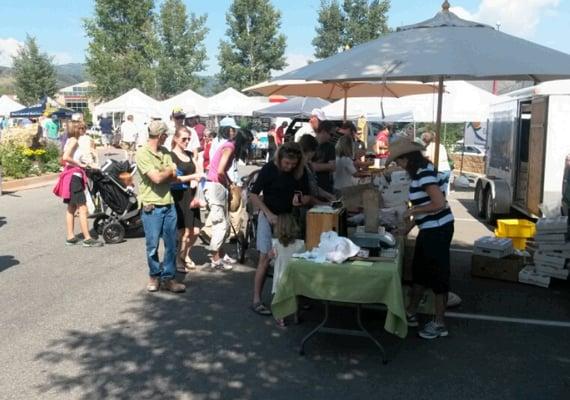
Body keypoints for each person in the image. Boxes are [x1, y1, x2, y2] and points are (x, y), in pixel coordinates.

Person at [387, 139, 454, 340]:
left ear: (406, 159)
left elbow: (439, 203)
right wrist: (407, 228)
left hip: (438, 229)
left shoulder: (424, 172)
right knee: (420, 271)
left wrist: (413, 209)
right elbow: (426, 207)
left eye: (398, 161)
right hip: (431, 228)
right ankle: (411, 311)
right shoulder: (421, 171)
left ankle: (440, 323)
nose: (398, 165)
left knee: (437, 274)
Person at [249, 142, 310, 315]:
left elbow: (307, 195)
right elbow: (253, 195)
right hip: (268, 215)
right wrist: (267, 214)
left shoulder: (300, 171)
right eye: (286, 163)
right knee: (265, 257)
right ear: (280, 158)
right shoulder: (269, 169)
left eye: (293, 164)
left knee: (292, 257)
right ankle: (256, 299)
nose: (290, 167)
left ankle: (294, 296)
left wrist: (300, 200)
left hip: (288, 218)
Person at [135, 121, 186, 293]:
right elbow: (157, 178)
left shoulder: (165, 152)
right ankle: (154, 276)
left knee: (172, 244)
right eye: (166, 135)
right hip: (151, 206)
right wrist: (169, 171)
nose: (167, 138)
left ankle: (168, 278)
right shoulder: (142, 154)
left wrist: (168, 172)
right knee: (152, 245)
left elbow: (172, 175)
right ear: (160, 135)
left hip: (168, 203)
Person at [204, 127, 251, 271]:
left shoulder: (228, 146)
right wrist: (228, 183)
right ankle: (215, 259)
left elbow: (222, 170)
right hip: (215, 187)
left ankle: (221, 254)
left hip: (218, 186)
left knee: (223, 223)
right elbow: (220, 170)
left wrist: (230, 183)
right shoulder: (230, 148)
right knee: (220, 225)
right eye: (248, 143)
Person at [53, 121, 103, 247]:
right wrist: (80, 165)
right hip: (74, 176)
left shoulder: (70, 140)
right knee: (82, 207)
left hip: (69, 176)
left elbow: (64, 157)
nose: (84, 130)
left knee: (71, 207)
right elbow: (66, 157)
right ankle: (87, 238)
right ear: (77, 129)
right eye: (82, 128)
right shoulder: (74, 141)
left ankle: (70, 236)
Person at [170, 127, 204, 273]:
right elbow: (172, 180)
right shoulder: (171, 156)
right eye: (184, 139)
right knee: (183, 232)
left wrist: (197, 179)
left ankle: (184, 255)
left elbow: (199, 171)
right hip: (178, 195)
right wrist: (193, 177)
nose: (186, 141)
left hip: (191, 194)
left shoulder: (190, 154)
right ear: (176, 139)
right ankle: (178, 258)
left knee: (195, 230)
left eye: (188, 139)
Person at [271, 213, 305, 327]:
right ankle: (296, 315)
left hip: (280, 274)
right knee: (295, 296)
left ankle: (281, 317)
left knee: (280, 296)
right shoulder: (300, 244)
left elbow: (272, 258)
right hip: (294, 275)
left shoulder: (275, 243)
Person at [299, 134, 336, 204]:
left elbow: (313, 187)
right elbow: (306, 194)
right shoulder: (299, 166)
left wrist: (328, 195)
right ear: (310, 150)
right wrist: (324, 204)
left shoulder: (308, 165)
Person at [421, 131, 451, 195]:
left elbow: (428, 159)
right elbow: (448, 157)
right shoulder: (441, 145)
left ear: (425, 140)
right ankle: (444, 203)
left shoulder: (429, 147)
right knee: (443, 191)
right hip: (447, 169)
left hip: (440, 170)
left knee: (436, 192)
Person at [311, 120, 336, 193]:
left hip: (325, 185)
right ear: (323, 131)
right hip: (310, 185)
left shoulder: (330, 147)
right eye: (331, 134)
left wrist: (312, 166)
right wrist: (325, 166)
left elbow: (333, 167)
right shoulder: (309, 143)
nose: (332, 137)